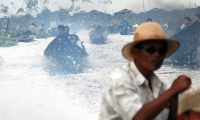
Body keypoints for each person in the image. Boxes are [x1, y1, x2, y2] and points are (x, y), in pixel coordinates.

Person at [99, 22, 192, 120]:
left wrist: (173, 98)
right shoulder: (119, 81)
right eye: (150, 49)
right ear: (136, 52)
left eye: (162, 50)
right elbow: (138, 117)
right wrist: (172, 90)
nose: (157, 55)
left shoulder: (159, 85)